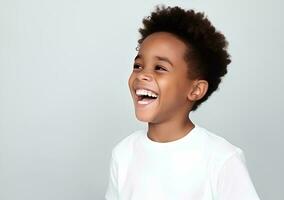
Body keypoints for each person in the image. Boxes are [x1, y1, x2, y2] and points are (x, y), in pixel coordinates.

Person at [105, 5, 260, 200]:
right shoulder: (123, 153)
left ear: (195, 90)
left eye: (160, 68)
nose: (143, 74)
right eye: (138, 65)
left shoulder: (222, 159)